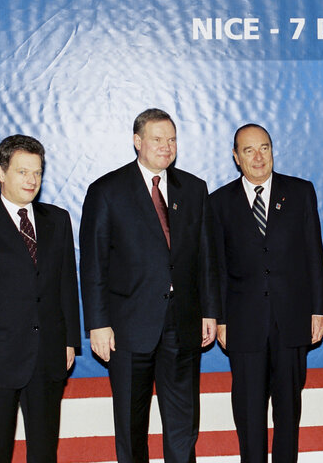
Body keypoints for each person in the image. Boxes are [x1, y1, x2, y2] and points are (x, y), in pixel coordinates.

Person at [79, 108, 220, 463]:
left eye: (172, 139)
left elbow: (206, 257)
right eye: (157, 139)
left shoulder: (194, 188)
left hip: (183, 324)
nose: (166, 146)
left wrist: (211, 313)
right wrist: (97, 323)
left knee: (183, 423)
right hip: (127, 327)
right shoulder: (106, 191)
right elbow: (94, 263)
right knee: (130, 424)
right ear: (137, 141)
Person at [0, 135, 81, 463]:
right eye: (23, 172)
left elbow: (66, 285)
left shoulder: (58, 220)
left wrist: (69, 342)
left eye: (37, 172)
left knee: (44, 452)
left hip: (48, 358)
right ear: (0, 172)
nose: (31, 180)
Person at [210, 124, 323, 463]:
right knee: (248, 411)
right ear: (236, 157)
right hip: (243, 324)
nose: (259, 157)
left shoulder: (300, 192)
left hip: (291, 321)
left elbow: (314, 255)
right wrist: (220, 319)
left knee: (289, 409)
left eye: (264, 147)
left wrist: (319, 309)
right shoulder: (219, 202)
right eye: (249, 150)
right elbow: (216, 267)